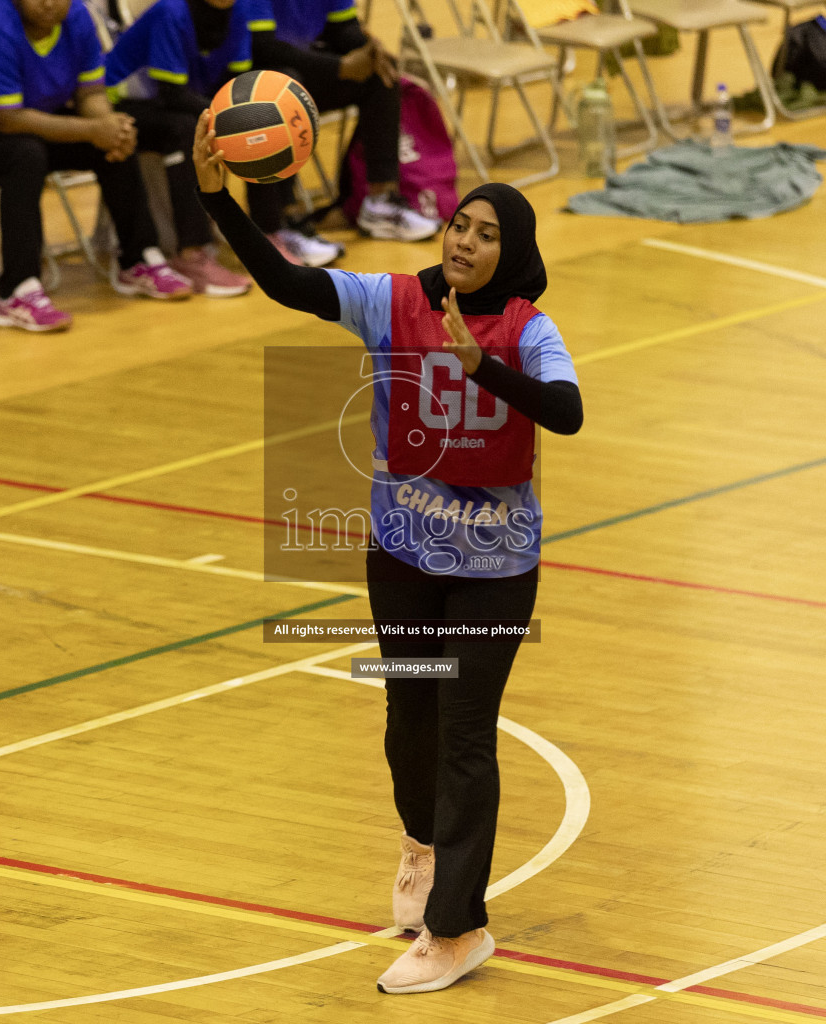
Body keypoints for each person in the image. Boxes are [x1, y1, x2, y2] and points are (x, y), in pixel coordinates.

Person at [192, 113, 583, 994]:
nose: (466, 242)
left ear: (510, 254)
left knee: (465, 737)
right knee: (408, 720)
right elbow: (290, 284)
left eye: (487, 236)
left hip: (495, 570)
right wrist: (218, 201)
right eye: (459, 226)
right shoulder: (388, 301)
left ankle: (458, 929)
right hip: (403, 555)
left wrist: (480, 366)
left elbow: (565, 413)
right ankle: (418, 844)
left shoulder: (530, 330)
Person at [0, 0, 193, 332]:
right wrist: (93, 130)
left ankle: (139, 259)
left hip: (27, 123)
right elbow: (8, 121)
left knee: (112, 141)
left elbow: (90, 93)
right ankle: (17, 292)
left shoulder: (78, 18)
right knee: (24, 156)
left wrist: (110, 128)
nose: (48, 2)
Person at [103, 0, 341, 268]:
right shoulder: (170, 12)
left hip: (182, 101)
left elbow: (234, 81)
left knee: (261, 116)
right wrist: (230, 116)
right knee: (190, 128)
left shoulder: (239, 10)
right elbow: (171, 93)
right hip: (123, 106)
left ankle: (269, 232)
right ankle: (193, 253)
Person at [244, 0, 441, 243]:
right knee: (287, 89)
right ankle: (284, 219)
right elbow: (262, 47)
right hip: (254, 78)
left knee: (382, 73)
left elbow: (342, 27)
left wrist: (368, 49)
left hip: (305, 67)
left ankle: (380, 203)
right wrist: (338, 67)